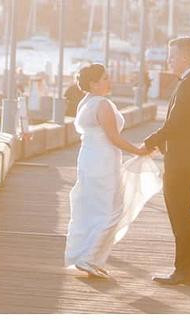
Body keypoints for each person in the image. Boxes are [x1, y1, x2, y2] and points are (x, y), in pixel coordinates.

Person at [64, 64, 161, 279]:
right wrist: (139, 151)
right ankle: (88, 257)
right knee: (112, 209)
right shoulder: (103, 105)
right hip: (103, 161)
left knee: (92, 208)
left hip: (89, 158)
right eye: (106, 78)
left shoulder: (85, 102)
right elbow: (113, 138)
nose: (110, 81)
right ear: (93, 83)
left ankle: (89, 257)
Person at [142, 36, 190, 286]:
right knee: (183, 212)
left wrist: (151, 140)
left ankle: (184, 269)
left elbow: (177, 124)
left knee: (179, 213)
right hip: (189, 157)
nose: (169, 61)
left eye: (172, 56)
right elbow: (185, 124)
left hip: (183, 160)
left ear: (185, 57)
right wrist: (162, 142)